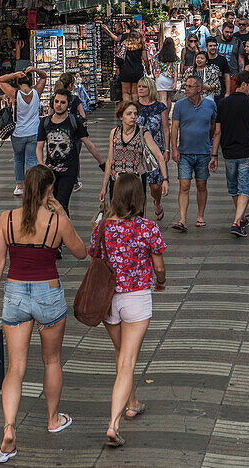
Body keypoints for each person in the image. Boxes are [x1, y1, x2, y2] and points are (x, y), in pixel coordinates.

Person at [0, 165, 87, 459]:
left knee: (16, 367)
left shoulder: (7, 219)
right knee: (52, 361)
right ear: (48, 190)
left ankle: (8, 428)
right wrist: (64, 216)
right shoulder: (56, 221)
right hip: (48, 293)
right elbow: (81, 252)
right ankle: (53, 420)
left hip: (15, 294)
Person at [91, 174, 166, 449]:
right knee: (127, 361)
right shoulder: (148, 228)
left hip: (109, 299)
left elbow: (94, 256)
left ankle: (132, 403)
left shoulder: (102, 226)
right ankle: (113, 423)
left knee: (121, 355)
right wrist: (162, 282)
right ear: (139, 198)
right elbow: (158, 267)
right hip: (136, 299)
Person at [36, 89, 104, 215]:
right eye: (56, 101)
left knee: (62, 203)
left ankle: (64, 232)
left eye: (63, 102)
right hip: (50, 171)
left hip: (69, 170)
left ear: (68, 104)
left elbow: (88, 144)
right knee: (52, 202)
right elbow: (39, 146)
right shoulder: (45, 122)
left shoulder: (74, 122)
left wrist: (102, 164)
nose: (59, 105)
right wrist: (41, 163)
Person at [170, 74, 218, 232]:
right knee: (184, 186)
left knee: (201, 185)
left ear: (199, 89)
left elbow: (213, 126)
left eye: (190, 86)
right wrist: (174, 149)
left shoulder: (210, 105)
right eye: (186, 86)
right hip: (184, 153)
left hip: (203, 153)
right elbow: (174, 128)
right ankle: (182, 219)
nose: (186, 89)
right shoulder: (179, 105)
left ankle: (200, 216)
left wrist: (212, 150)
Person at [215, 71, 249, 236]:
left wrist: (214, 155)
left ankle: (239, 218)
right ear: (243, 84)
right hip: (246, 152)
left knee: (234, 188)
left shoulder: (223, 103)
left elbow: (217, 132)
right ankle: (236, 222)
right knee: (244, 188)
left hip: (228, 152)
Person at [100, 100, 169, 205]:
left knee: (135, 216)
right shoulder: (114, 133)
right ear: (121, 116)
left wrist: (165, 179)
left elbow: (159, 156)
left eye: (135, 114)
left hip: (135, 183)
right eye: (129, 114)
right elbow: (110, 161)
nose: (133, 116)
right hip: (117, 183)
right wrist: (104, 187)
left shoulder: (143, 133)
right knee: (117, 216)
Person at [0, 65, 48, 197]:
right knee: (32, 160)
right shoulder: (36, 92)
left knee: (18, 159)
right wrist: (34, 70)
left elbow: (1, 80)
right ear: (31, 82)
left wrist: (14, 75)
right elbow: (44, 76)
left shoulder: (15, 94)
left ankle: (19, 186)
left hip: (18, 133)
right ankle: (31, 187)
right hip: (34, 132)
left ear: (18, 83)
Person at [135, 77, 170, 223]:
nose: (140, 89)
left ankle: (157, 202)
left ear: (150, 88)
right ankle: (142, 218)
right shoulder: (134, 106)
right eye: (139, 86)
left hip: (156, 151)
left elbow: (165, 129)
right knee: (140, 188)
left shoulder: (160, 107)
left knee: (155, 187)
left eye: (143, 86)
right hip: (138, 151)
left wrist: (167, 149)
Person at [116, 29, 150, 104]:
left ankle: (127, 109)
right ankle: (135, 110)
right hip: (137, 70)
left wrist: (118, 67)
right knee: (135, 93)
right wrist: (148, 70)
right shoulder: (141, 46)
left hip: (125, 70)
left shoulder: (124, 44)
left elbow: (119, 56)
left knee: (126, 92)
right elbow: (145, 59)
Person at [203, 35, 232, 102]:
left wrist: (227, 93)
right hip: (205, 93)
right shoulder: (203, 59)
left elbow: (227, 76)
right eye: (210, 46)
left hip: (220, 93)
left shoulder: (222, 59)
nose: (213, 48)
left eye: (214, 46)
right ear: (206, 47)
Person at [153, 36, 178, 107]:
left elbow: (154, 66)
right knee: (168, 99)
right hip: (170, 79)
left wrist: (155, 76)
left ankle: (163, 115)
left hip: (160, 78)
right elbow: (175, 70)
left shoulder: (157, 55)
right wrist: (175, 82)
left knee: (162, 98)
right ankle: (167, 116)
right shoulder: (174, 57)